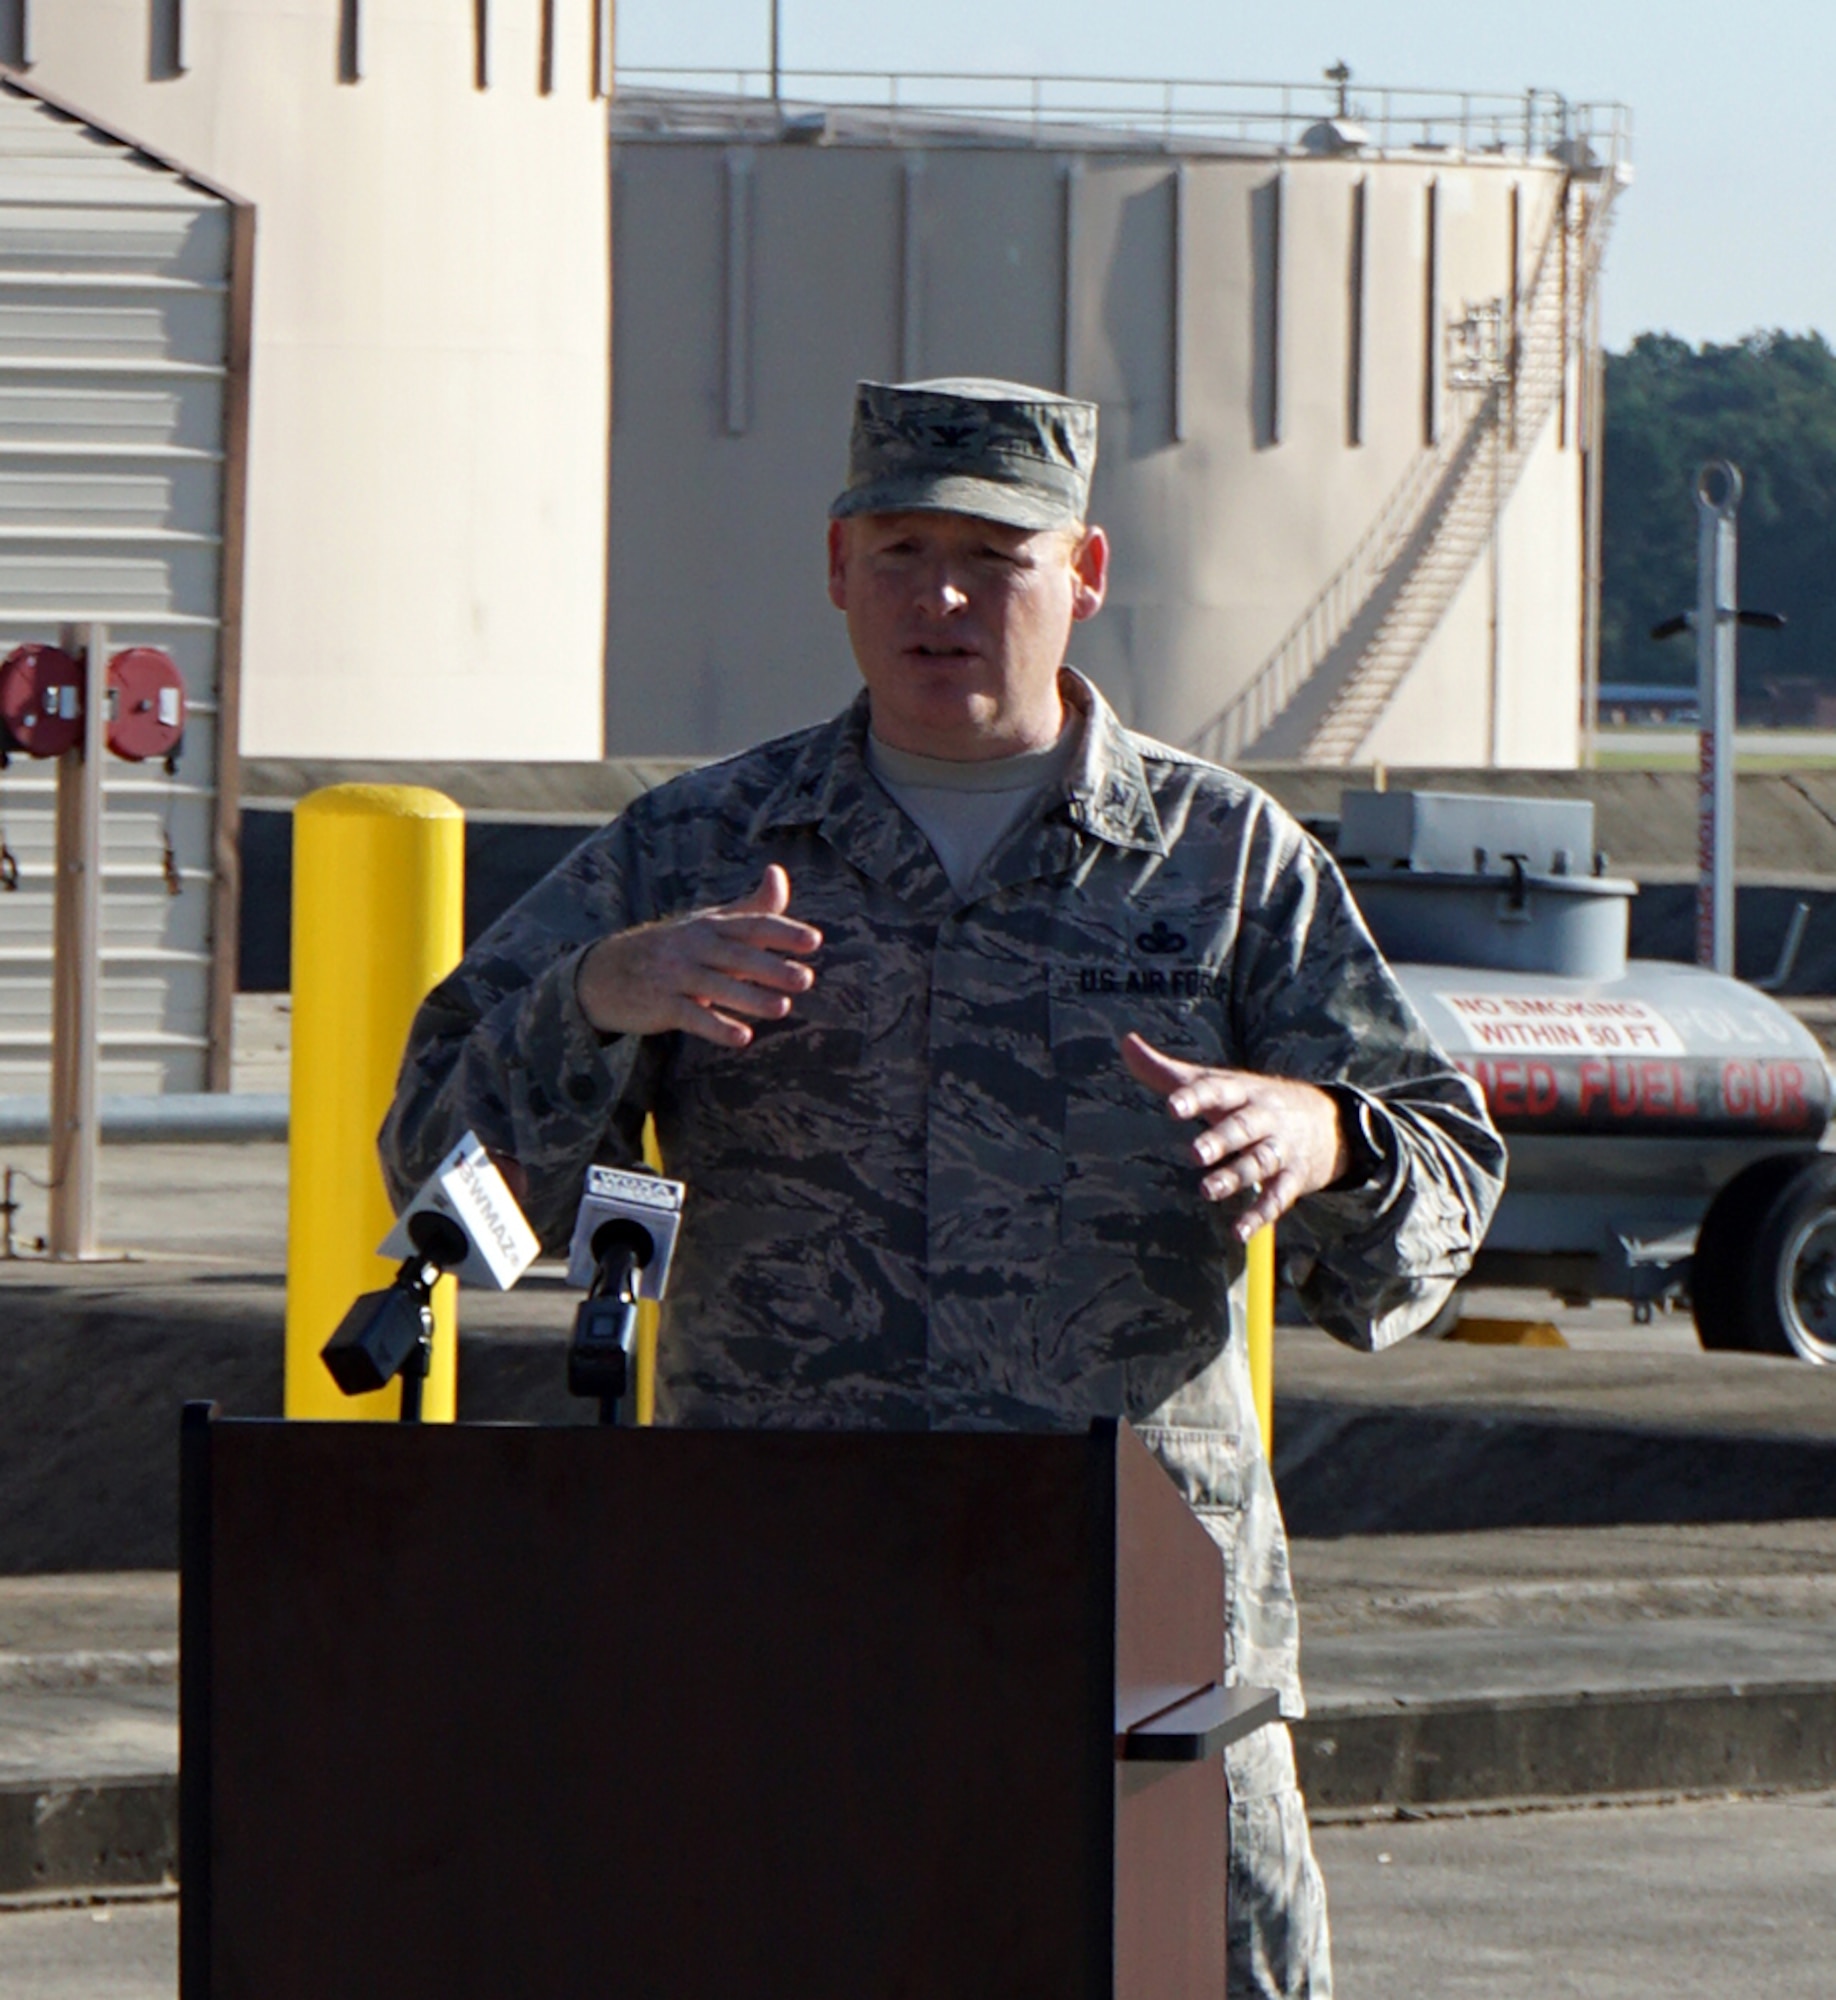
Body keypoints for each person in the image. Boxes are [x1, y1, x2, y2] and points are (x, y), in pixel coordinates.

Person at [381, 377, 1504, 1997]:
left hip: (1134, 1634)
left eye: (995, 554)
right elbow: (442, 1177)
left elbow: (1447, 1168)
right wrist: (598, 999)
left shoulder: (1223, 860)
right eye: (904, 550)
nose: (946, 597)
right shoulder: (693, 850)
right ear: (838, 565)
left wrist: (1324, 1136)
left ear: (1086, 573)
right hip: (782, 1632)